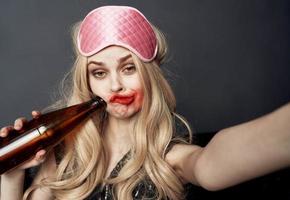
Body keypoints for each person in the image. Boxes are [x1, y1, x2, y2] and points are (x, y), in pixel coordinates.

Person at [1, 5, 290, 200]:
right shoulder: (64, 157)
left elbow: (210, 166)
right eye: (99, 73)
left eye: (129, 68)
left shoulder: (169, 159)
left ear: (149, 75)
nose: (115, 85)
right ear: (88, 83)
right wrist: (12, 174)